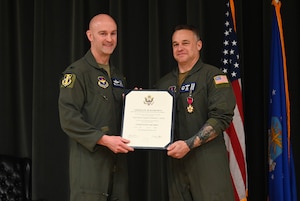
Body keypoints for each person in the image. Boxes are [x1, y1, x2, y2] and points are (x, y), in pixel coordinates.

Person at [154, 24, 236, 201]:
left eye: (185, 43)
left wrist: (189, 144)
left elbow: (221, 118)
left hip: (208, 165)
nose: (180, 48)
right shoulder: (163, 84)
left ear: (198, 45)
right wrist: (138, 101)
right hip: (176, 166)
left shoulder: (214, 77)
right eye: (175, 44)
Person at [58, 14, 134, 201]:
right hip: (89, 167)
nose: (109, 39)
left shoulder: (117, 76)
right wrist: (103, 140)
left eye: (113, 33)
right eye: (103, 33)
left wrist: (135, 102)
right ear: (90, 36)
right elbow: (69, 119)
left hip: (118, 168)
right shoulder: (77, 72)